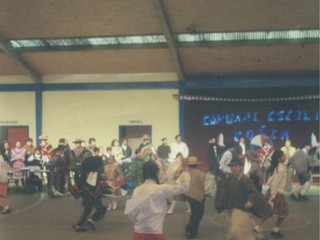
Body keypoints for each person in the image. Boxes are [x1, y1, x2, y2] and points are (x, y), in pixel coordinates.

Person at [124, 160, 190, 240]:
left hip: (139, 232)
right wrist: (184, 173)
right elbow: (183, 186)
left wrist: (138, 222)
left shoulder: (137, 190)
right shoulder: (161, 189)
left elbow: (131, 212)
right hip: (155, 233)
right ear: (156, 173)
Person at [215, 158, 272, 240]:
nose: (233, 168)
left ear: (241, 167)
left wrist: (250, 201)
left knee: (240, 231)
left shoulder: (244, 179)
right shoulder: (231, 178)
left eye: (236, 166)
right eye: (231, 166)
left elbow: (253, 191)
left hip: (243, 210)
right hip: (234, 209)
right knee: (239, 230)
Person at [254, 150, 289, 239]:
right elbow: (275, 183)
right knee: (282, 213)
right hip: (277, 193)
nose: (285, 157)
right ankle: (272, 229)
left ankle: (259, 228)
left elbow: (271, 180)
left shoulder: (277, 167)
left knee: (271, 212)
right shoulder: (281, 168)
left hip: (274, 192)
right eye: (283, 156)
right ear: (279, 158)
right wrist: (273, 196)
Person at [71, 153, 108, 232]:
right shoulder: (96, 174)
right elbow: (101, 184)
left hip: (86, 194)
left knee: (88, 209)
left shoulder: (85, 172)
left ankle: (82, 224)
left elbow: (80, 182)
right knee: (100, 209)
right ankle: (87, 222)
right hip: (93, 195)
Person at [183, 156, 206, 239]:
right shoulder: (201, 174)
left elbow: (180, 182)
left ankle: (190, 228)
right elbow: (205, 185)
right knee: (198, 214)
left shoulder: (184, 173)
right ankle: (190, 230)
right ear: (196, 165)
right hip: (198, 196)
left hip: (188, 195)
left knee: (194, 213)